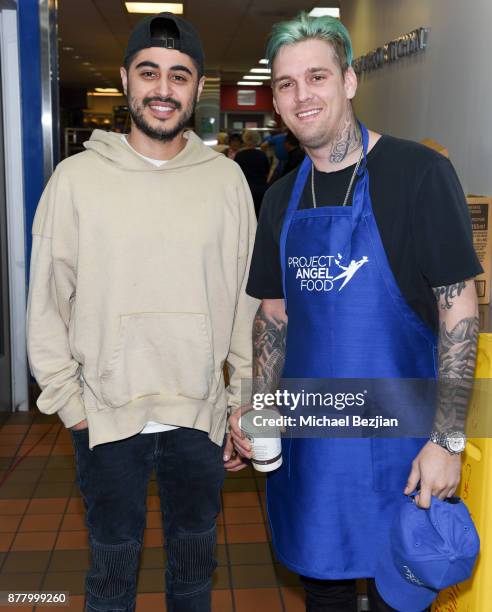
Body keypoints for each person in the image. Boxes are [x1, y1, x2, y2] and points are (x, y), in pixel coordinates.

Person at [229, 12, 481, 612]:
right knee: (325, 593)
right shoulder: (281, 197)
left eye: (316, 77)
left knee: (406, 594)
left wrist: (448, 438)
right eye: (286, 84)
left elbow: (460, 311)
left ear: (348, 81)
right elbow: (274, 316)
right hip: (316, 449)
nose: (301, 95)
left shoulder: (418, 174)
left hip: (408, 445)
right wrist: (262, 413)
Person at [27, 12, 257, 612]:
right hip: (106, 423)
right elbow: (47, 303)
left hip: (198, 422)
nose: (163, 88)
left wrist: (243, 402)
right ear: (125, 79)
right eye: (149, 72)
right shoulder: (75, 181)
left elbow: (245, 304)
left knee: (192, 580)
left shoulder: (227, 182)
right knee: (110, 583)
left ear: (197, 87)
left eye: (179, 76)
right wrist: (69, 404)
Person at [234, 129, 270, 217]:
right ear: (257, 140)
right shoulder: (262, 154)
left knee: (246, 216)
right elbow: (267, 172)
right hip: (261, 189)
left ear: (244, 139)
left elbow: (235, 173)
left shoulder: (239, 155)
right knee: (259, 216)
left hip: (244, 189)